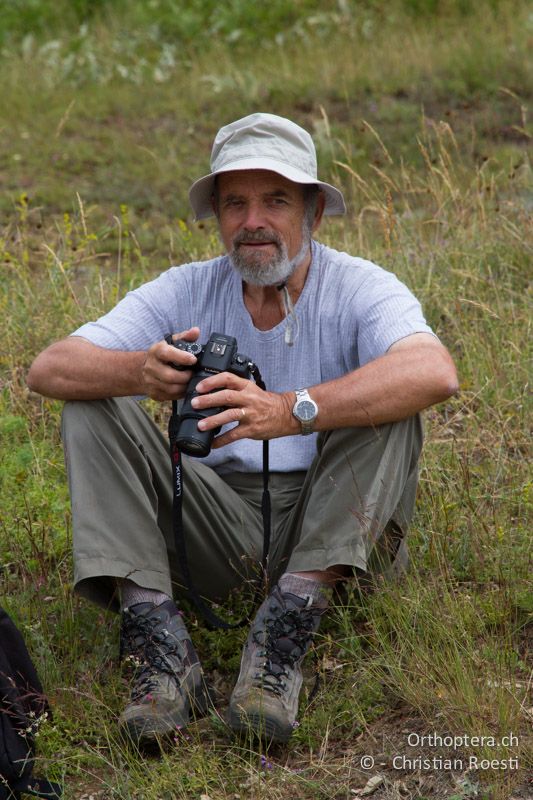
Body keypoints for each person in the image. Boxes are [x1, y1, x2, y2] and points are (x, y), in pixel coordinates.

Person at [27, 112, 458, 745]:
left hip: (328, 518)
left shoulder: (362, 286)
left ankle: (285, 633)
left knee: (390, 399)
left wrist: (290, 409)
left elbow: (435, 371)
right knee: (92, 400)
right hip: (209, 524)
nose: (253, 220)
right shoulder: (186, 288)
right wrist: (141, 370)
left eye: (275, 200)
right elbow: (49, 367)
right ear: (219, 217)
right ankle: (160, 644)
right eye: (236, 203)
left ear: (312, 211)